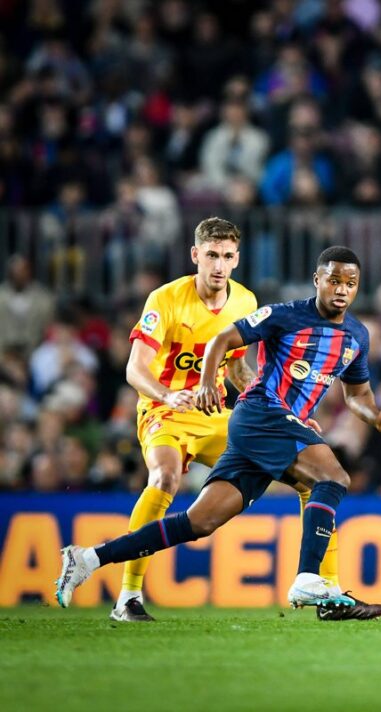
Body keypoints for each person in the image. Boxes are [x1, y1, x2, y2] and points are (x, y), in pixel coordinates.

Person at [56, 247, 381, 615]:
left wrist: (376, 417)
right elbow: (222, 340)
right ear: (317, 280)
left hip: (273, 427)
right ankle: (310, 580)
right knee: (333, 476)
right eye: (334, 280)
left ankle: (88, 559)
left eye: (350, 283)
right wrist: (207, 384)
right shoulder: (285, 315)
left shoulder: (357, 336)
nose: (341, 290)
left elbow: (358, 393)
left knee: (200, 521)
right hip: (260, 413)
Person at [109, 216, 259, 622]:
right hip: (164, 409)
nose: (219, 265)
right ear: (196, 255)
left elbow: (238, 370)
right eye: (211, 255)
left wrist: (277, 412)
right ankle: (128, 596)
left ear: (237, 259)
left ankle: (316, 583)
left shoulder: (246, 303)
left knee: (295, 462)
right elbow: (134, 370)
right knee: (165, 479)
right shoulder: (165, 299)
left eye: (227, 256)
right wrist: (166, 394)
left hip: (213, 415)